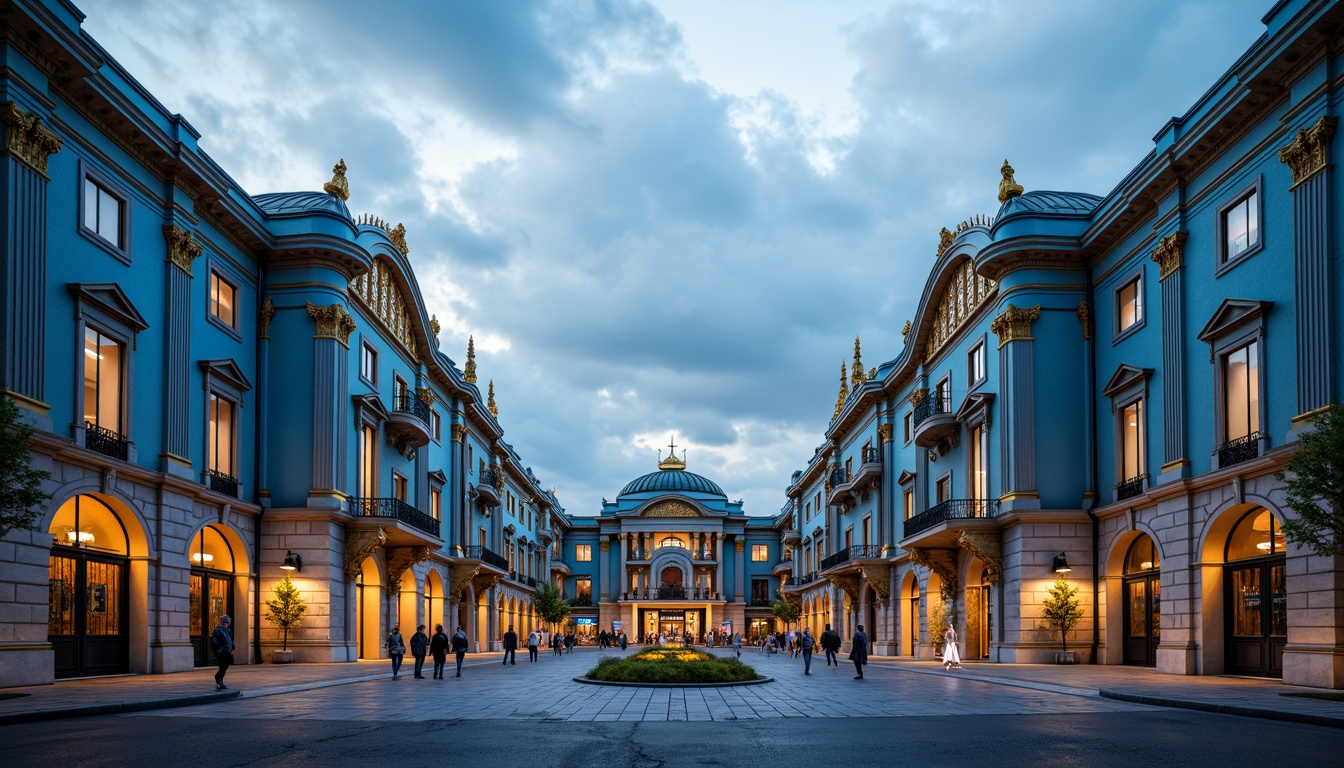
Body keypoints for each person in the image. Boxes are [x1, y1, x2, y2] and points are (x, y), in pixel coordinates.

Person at [210, 615, 233, 691]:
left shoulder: (226, 630)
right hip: (222, 652)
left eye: (227, 622)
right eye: (225, 622)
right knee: (223, 666)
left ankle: (220, 681)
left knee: (224, 666)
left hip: (226, 651)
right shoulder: (218, 630)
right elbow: (215, 642)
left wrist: (232, 647)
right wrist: (220, 650)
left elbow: (229, 640)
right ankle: (218, 680)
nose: (226, 624)